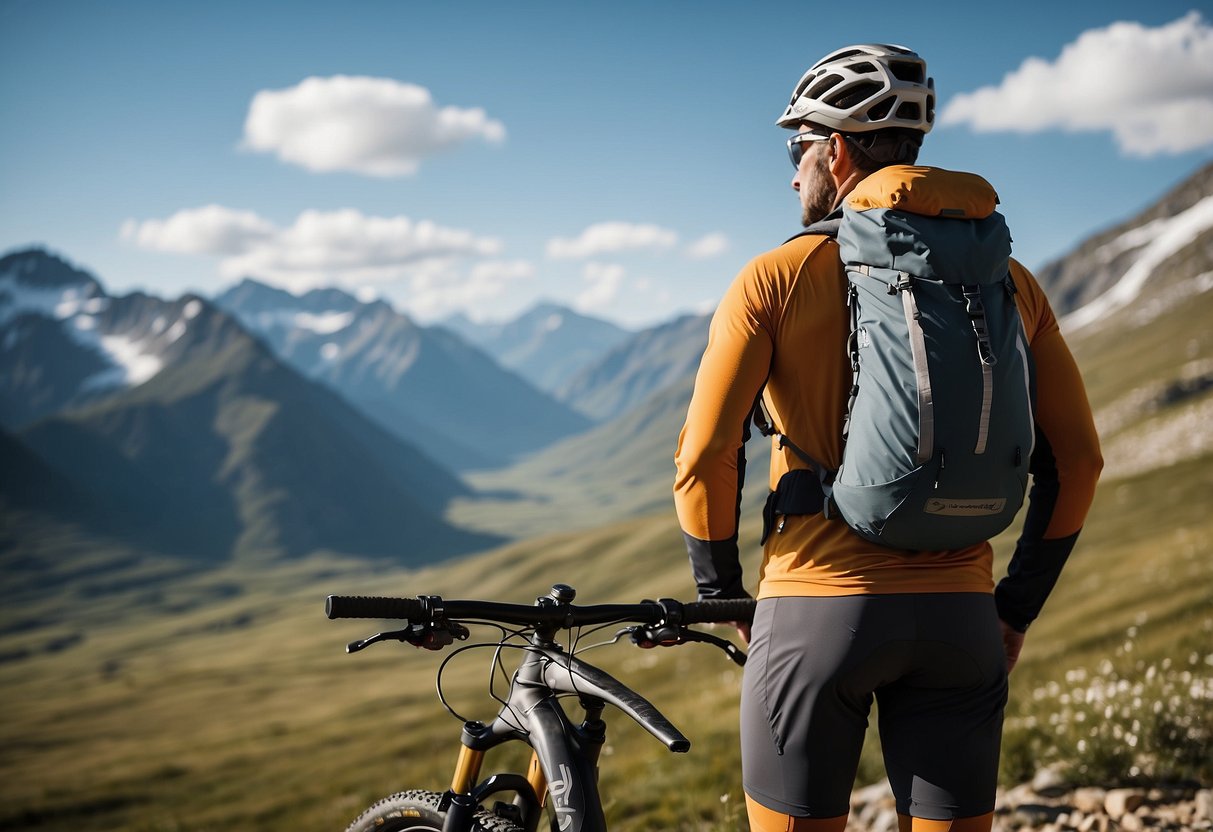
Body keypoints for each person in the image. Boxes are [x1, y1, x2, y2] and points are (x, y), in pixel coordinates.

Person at [672, 44, 1103, 832]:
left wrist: (722, 596)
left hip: (815, 610)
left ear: (833, 150)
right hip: (963, 618)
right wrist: (1014, 609)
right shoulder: (1009, 282)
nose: (791, 170)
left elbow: (704, 457)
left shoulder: (774, 276)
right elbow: (1077, 462)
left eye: (795, 147)